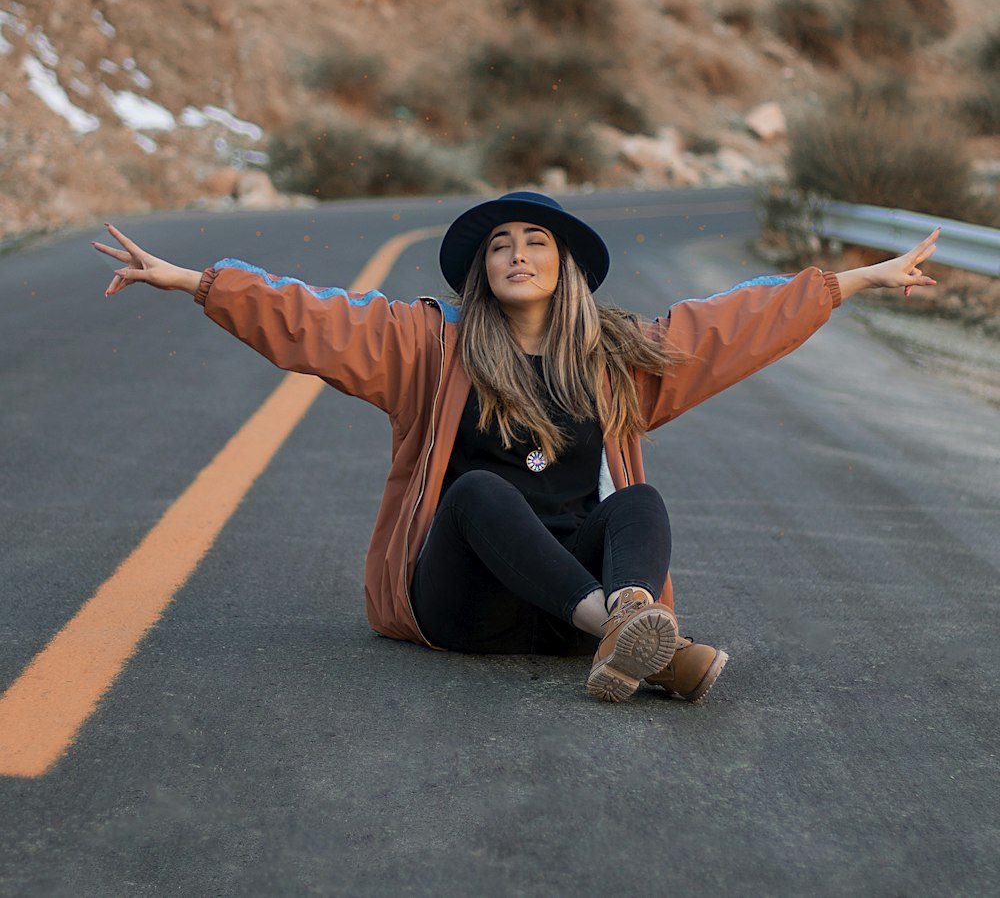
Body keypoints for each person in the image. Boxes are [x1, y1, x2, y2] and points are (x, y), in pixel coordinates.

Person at [93, 192, 939, 705]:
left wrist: (852, 281)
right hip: (466, 602)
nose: (517, 253)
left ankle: (624, 620)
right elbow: (317, 320)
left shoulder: (616, 360)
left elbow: (728, 326)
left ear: (565, 266)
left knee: (639, 500)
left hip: (556, 607)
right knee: (480, 495)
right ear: (481, 272)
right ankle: (630, 634)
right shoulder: (428, 346)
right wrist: (199, 282)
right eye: (501, 244)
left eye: (536, 242)